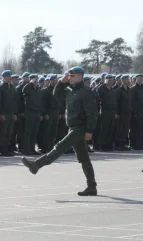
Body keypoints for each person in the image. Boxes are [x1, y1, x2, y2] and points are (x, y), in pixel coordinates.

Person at [21, 67, 99, 196]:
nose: (69, 77)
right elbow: (56, 95)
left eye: (72, 76)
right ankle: (92, 186)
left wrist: (89, 130)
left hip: (80, 127)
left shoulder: (86, 92)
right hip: (73, 126)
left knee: (59, 147)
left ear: (80, 76)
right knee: (84, 158)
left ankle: (36, 165)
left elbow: (92, 113)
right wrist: (61, 82)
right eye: (68, 75)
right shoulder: (70, 90)